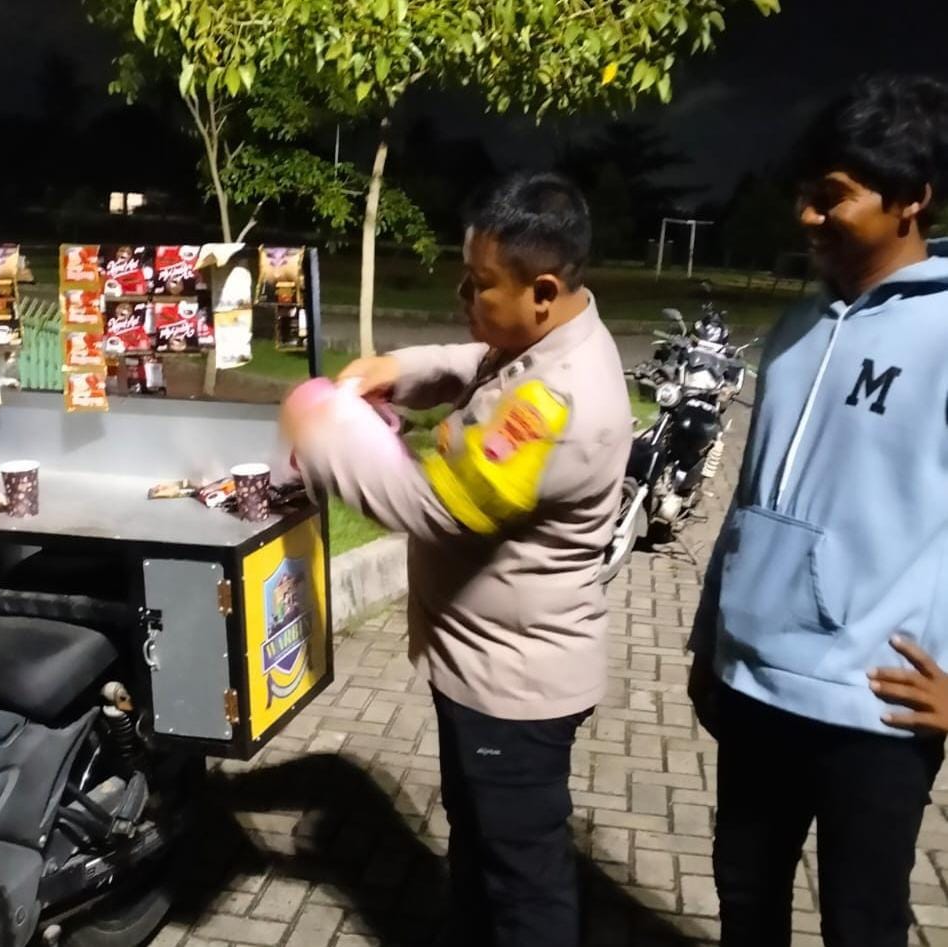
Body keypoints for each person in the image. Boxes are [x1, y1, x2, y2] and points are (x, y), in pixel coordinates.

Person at [282, 172, 632, 947]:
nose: (463, 297)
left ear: (543, 290)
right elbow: (479, 358)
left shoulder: (556, 404)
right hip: (482, 665)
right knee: (479, 844)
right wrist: (395, 370)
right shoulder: (547, 338)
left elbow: (431, 506)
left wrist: (321, 432)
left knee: (523, 882)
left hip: (511, 689)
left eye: (479, 284)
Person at [687, 74, 948, 947]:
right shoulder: (796, 327)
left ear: (912, 198)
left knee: (860, 926)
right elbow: (750, 498)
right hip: (753, 687)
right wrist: (710, 637)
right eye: (804, 193)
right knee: (745, 905)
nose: (806, 215)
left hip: (874, 713)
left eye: (831, 195)